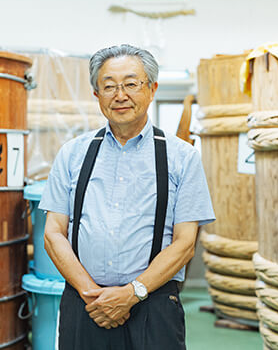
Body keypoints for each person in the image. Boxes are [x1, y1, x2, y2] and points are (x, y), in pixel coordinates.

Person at [40, 44, 215, 349]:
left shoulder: (182, 157)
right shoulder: (72, 154)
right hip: (86, 305)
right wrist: (92, 294)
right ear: (97, 95)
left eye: (131, 84)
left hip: (154, 304)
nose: (120, 95)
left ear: (152, 89)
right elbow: (54, 234)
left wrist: (132, 292)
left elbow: (185, 243)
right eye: (109, 86)